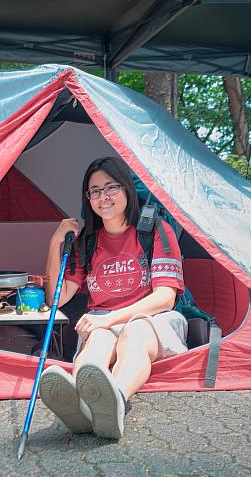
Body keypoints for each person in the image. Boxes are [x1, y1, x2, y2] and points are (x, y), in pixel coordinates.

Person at [38, 156, 186, 440]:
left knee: (135, 330)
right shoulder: (89, 242)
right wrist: (55, 242)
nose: (102, 197)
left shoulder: (155, 231)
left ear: (127, 190)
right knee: (99, 340)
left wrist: (109, 319)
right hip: (104, 325)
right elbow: (57, 296)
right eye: (94, 191)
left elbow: (165, 298)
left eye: (111, 188)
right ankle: (83, 403)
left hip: (155, 321)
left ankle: (115, 399)